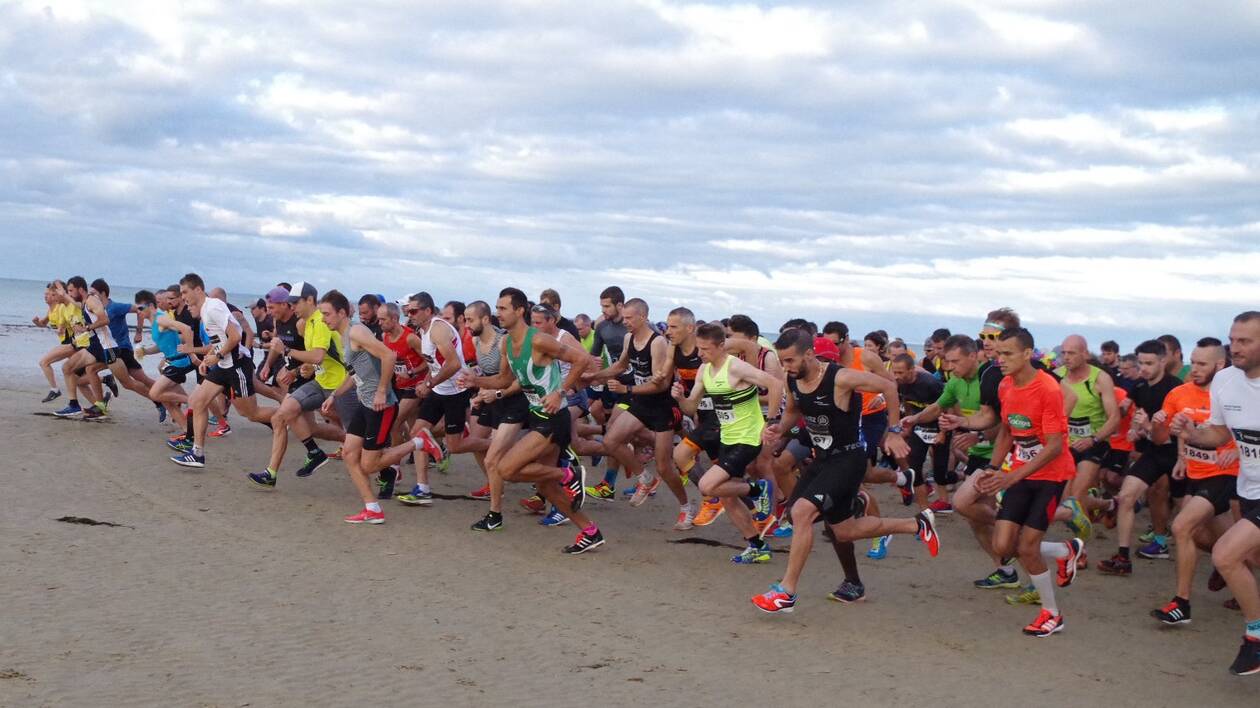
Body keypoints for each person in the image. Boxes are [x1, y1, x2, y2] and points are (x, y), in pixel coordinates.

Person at [751, 329, 935, 614]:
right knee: (844, 531)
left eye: (789, 360)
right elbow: (794, 410)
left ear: (809, 354)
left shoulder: (840, 377)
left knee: (801, 512)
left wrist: (895, 431)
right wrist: (778, 428)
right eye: (782, 361)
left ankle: (786, 591)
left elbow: (888, 387)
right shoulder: (793, 378)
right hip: (822, 458)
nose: (786, 367)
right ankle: (917, 524)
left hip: (848, 459)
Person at [460, 287, 601, 554]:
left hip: (553, 418)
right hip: (536, 415)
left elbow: (581, 360)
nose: (498, 313)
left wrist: (560, 393)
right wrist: (475, 381)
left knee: (506, 469)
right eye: (497, 308)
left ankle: (569, 472)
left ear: (519, 310)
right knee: (547, 488)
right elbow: (504, 379)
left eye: (503, 308)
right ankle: (589, 531)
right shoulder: (505, 343)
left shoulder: (538, 340)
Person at [977, 327, 1084, 637]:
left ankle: (1052, 614)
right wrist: (993, 467)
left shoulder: (1048, 389)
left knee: (1027, 547)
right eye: (998, 354)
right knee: (1002, 545)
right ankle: (1065, 551)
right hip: (1021, 471)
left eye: (1008, 354)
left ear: (1027, 354)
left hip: (1051, 475)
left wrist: (1010, 476)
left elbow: (1053, 446)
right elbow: (1008, 430)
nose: (1001, 360)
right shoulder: (1006, 385)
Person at [1171, 312, 1260, 675]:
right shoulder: (1224, 380)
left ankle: (1255, 638)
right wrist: (1191, 432)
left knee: (1225, 554)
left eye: (1245, 342)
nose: (1235, 348)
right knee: (1249, 557)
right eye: (1233, 340)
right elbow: (1219, 435)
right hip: (1248, 488)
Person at [671, 323, 784, 564]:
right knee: (728, 498)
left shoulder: (737, 367)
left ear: (721, 346)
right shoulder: (704, 370)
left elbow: (776, 385)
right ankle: (757, 545)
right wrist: (680, 397)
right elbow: (691, 408)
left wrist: (771, 422)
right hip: (727, 437)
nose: (700, 354)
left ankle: (757, 490)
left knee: (707, 486)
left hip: (749, 437)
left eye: (706, 349)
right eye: (699, 349)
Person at [1150, 338, 1239, 626]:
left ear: (1220, 364)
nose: (1195, 368)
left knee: (1181, 526)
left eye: (1202, 364)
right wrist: (1160, 425)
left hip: (1225, 474)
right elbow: (1162, 438)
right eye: (1193, 361)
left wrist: (1235, 449)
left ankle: (1181, 603)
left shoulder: (1232, 394)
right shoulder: (1178, 394)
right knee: (1215, 541)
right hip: (1195, 474)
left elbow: (1249, 430)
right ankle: (1232, 566)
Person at [585, 298, 692, 525]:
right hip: (641, 401)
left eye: (629, 318)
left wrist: (626, 388)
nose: (625, 322)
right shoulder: (628, 338)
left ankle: (686, 506)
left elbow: (660, 384)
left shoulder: (657, 343)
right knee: (611, 440)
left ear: (643, 317)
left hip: (662, 406)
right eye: (623, 317)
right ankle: (644, 477)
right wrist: (594, 376)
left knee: (664, 466)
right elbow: (620, 366)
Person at [247, 281, 349, 485]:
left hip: (340, 386)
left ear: (309, 300)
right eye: (290, 302)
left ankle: (386, 466)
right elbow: (319, 358)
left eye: (295, 302)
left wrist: (287, 353)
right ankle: (292, 462)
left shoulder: (319, 321)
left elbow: (319, 356)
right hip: (319, 382)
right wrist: (302, 368)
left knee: (360, 440)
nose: (292, 306)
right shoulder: (307, 322)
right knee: (284, 413)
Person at [1097, 339, 1181, 574]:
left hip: (1178, 454)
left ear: (1163, 361)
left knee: (1188, 511)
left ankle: (1223, 557)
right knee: (1126, 497)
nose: (1143, 368)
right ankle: (1123, 557)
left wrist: (1144, 427)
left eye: (1149, 363)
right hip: (1153, 453)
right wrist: (1132, 426)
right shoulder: (1140, 386)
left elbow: (1167, 433)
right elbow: (1124, 408)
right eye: (1141, 362)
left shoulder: (1175, 388)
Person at [169, 273, 270, 468]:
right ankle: (197, 453)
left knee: (250, 413)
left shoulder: (213, 306)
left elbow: (235, 335)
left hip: (236, 366)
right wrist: (208, 359)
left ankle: (285, 416)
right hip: (223, 365)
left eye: (185, 292)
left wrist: (218, 355)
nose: (183, 297)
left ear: (198, 290)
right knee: (197, 401)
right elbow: (221, 341)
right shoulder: (206, 311)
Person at [316, 291, 399, 524]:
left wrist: (382, 390)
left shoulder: (356, 331)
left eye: (327, 314)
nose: (323, 319)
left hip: (381, 405)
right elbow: (356, 374)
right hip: (365, 402)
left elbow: (389, 356)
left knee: (369, 464)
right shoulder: (343, 337)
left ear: (342, 312)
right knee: (350, 455)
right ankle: (372, 508)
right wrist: (335, 395)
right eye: (322, 314)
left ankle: (420, 442)